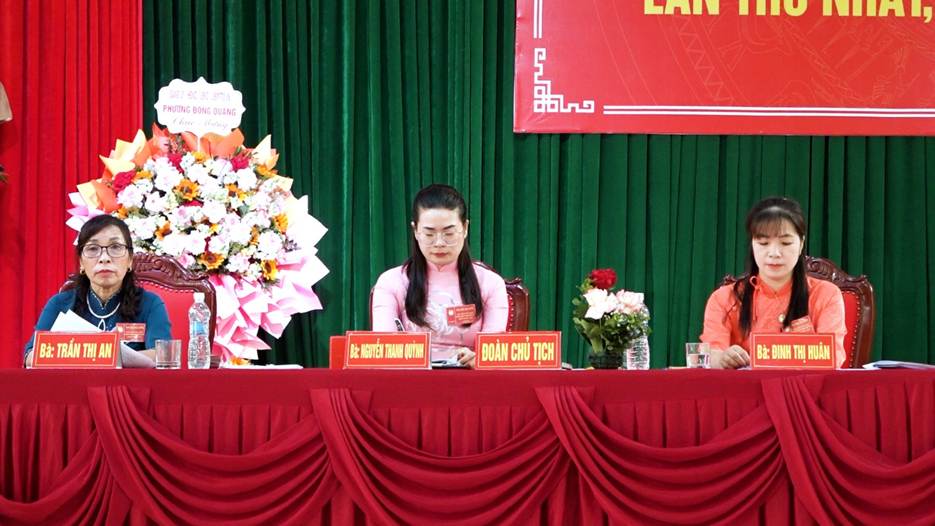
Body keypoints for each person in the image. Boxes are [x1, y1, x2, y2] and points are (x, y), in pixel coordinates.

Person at [371, 184, 509, 368]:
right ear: (415, 231)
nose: (439, 243)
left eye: (449, 233)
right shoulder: (391, 282)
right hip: (410, 378)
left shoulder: (490, 283)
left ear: (465, 228)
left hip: (470, 378)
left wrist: (477, 358)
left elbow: (493, 352)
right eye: (429, 234)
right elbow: (385, 348)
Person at [700, 196, 847, 369]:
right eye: (763, 243)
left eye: (785, 243)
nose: (774, 253)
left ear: (801, 244)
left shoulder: (826, 294)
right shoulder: (724, 298)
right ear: (752, 244)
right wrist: (722, 358)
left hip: (805, 385)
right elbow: (711, 354)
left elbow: (833, 356)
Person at [23, 215, 171, 366]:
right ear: (81, 262)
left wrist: (100, 354)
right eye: (93, 249)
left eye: (115, 247)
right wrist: (99, 353)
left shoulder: (150, 303)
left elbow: (163, 355)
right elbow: (30, 356)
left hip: (126, 382)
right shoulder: (59, 304)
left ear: (130, 260)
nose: (104, 258)